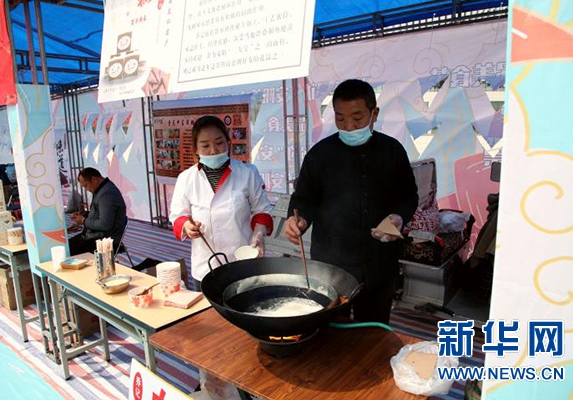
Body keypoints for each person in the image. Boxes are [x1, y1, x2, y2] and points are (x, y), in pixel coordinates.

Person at [283, 79, 419, 323]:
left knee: (373, 332)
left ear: (374, 113)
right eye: (340, 118)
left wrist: (398, 217)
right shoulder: (320, 154)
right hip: (331, 267)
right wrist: (298, 219)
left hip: (379, 264)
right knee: (330, 331)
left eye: (357, 118)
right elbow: (304, 197)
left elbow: (408, 195)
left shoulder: (392, 151)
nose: (348, 126)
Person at [169, 115, 273, 291]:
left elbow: (261, 210)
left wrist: (259, 234)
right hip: (205, 267)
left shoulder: (247, 173)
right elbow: (177, 215)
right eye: (205, 145)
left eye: (219, 143)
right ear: (196, 149)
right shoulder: (186, 178)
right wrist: (187, 225)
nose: (213, 151)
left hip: (243, 260)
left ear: (228, 142)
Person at [69, 167, 127, 255]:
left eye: (85, 185)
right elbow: (101, 214)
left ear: (94, 179)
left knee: (69, 252)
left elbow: (105, 224)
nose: (86, 189)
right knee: (66, 247)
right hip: (96, 235)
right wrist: (85, 214)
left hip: (106, 240)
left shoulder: (106, 195)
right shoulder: (102, 189)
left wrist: (83, 220)